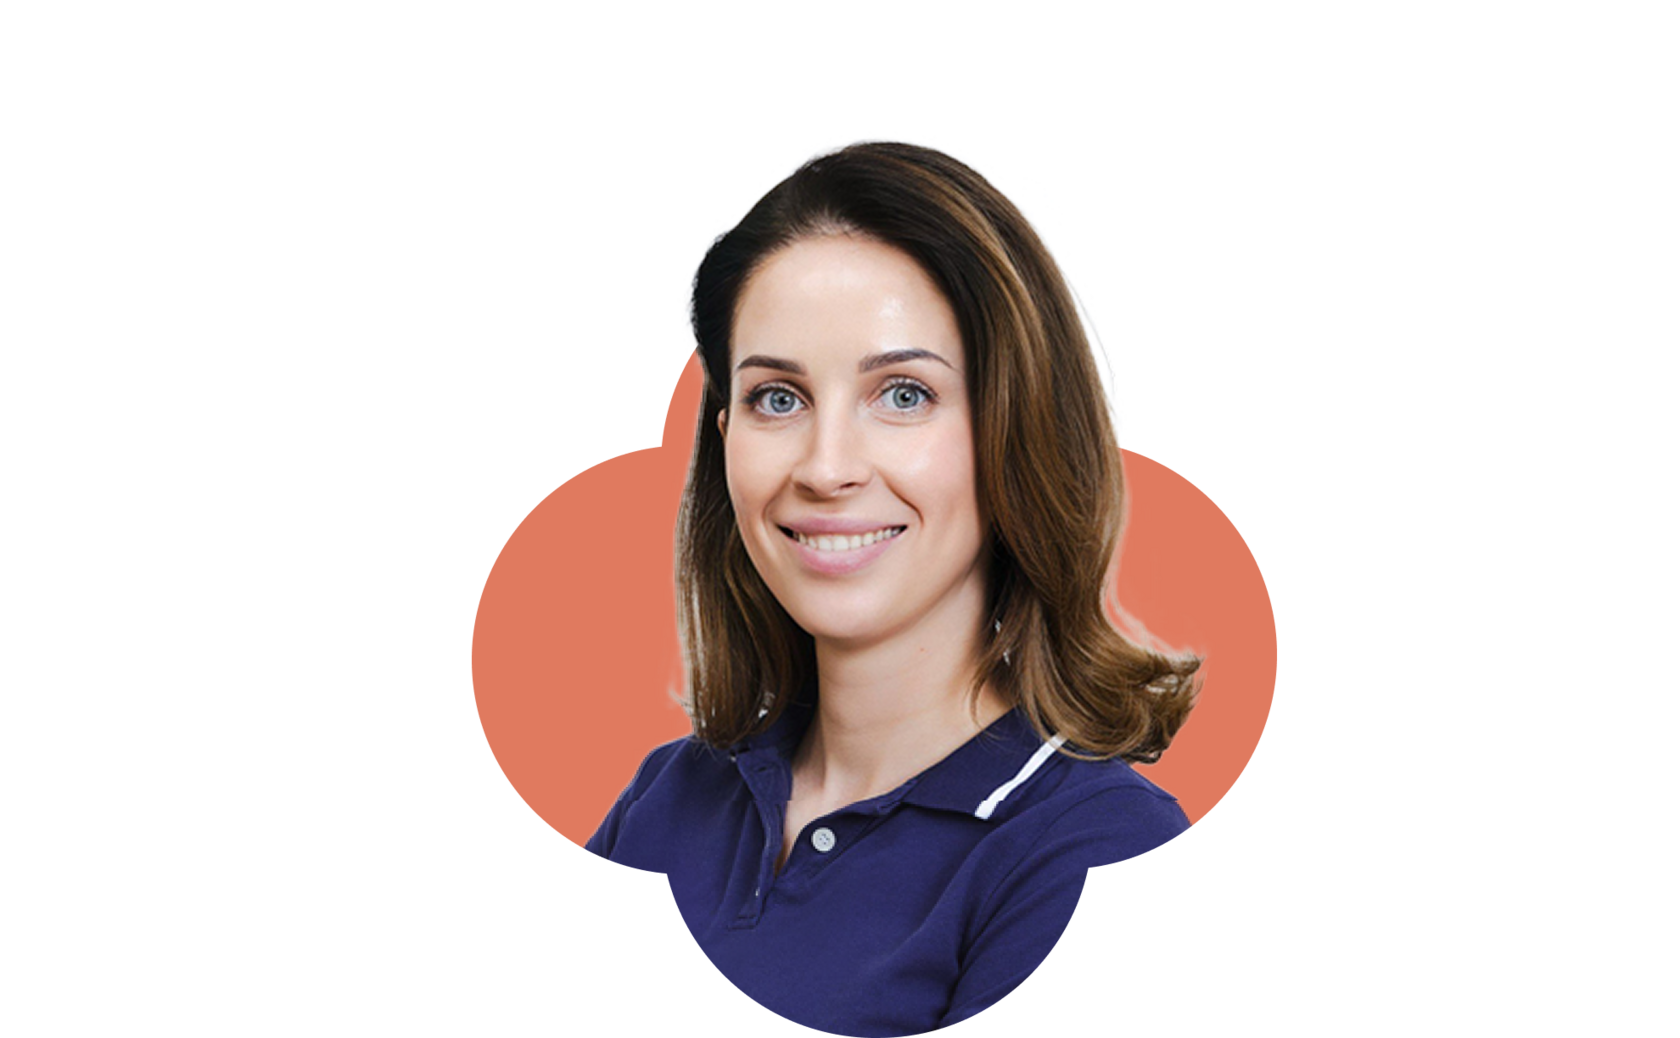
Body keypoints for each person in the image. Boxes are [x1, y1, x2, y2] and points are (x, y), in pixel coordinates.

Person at [584, 136, 1202, 1036]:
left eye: (904, 394)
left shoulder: (1092, 849)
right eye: (778, 398)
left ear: (1015, 428)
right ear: (724, 438)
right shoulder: (670, 793)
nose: (825, 467)